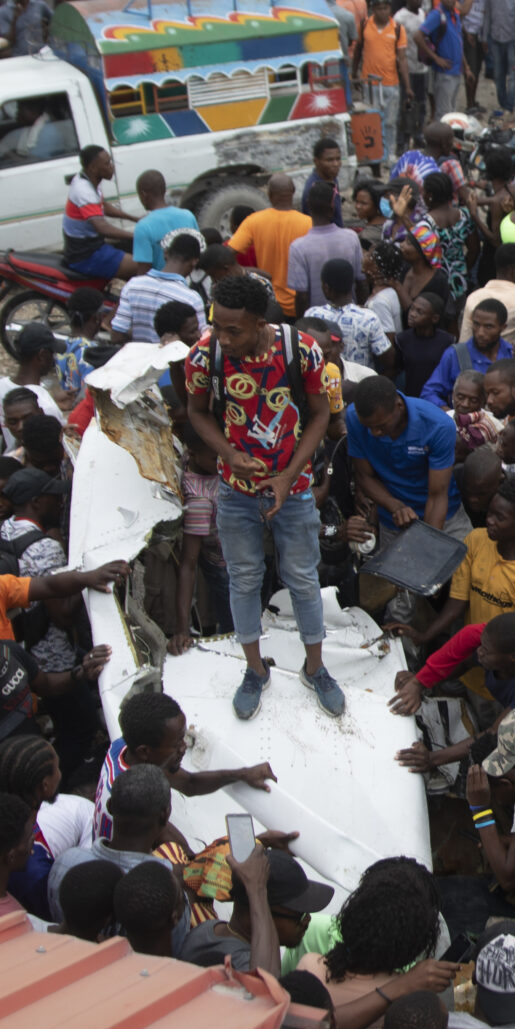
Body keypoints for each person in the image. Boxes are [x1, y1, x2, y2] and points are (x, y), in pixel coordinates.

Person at [184, 273, 347, 721]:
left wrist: (289, 476)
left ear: (260, 323)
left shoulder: (302, 352)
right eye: (217, 326)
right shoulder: (204, 356)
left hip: (293, 491)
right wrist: (228, 453)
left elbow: (319, 416)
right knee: (244, 578)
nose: (222, 337)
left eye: (232, 330)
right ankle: (255, 670)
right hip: (235, 493)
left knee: (301, 578)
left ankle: (316, 668)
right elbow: (196, 413)